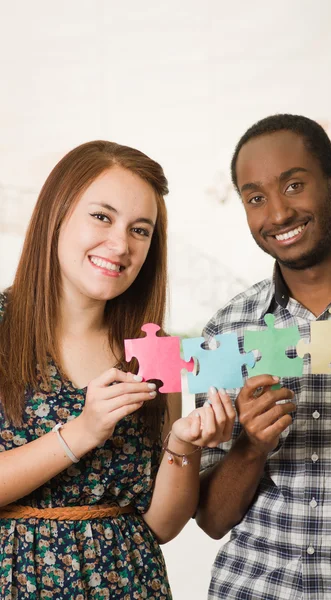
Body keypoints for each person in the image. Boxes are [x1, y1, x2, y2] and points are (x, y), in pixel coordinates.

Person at [0, 140, 236, 599]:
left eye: (140, 230)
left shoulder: (156, 349)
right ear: (57, 213)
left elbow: (163, 526)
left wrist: (182, 446)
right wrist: (81, 432)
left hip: (131, 583)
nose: (120, 244)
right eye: (102, 217)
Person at [195, 114, 331, 600]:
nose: (278, 214)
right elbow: (211, 520)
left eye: (294, 185)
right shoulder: (227, 331)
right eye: (255, 198)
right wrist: (251, 447)